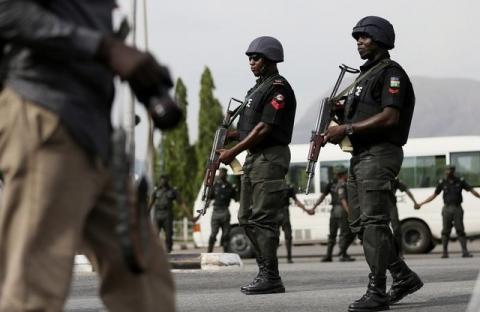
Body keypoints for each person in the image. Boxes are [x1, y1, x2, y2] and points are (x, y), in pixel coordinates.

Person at [0, 2, 175, 311]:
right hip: (47, 120)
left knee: (144, 276)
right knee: (33, 289)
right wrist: (105, 48)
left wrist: (138, 72)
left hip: (95, 133)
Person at [323, 16, 423, 311]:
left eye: (364, 37)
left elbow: (390, 117)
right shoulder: (363, 79)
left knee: (374, 222)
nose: (359, 42)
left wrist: (347, 129)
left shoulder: (391, 74)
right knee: (359, 224)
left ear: (380, 39)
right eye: (357, 38)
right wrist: (340, 116)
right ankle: (402, 276)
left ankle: (377, 289)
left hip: (380, 154)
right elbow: (357, 119)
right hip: (360, 156)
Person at [217, 36, 296, 295]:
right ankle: (266, 270)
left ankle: (270, 276)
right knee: (245, 217)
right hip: (255, 157)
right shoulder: (256, 89)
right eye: (249, 58)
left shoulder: (278, 88)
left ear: (271, 59)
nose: (251, 62)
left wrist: (233, 152)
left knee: (263, 218)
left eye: (256, 57)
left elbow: (264, 128)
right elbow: (250, 129)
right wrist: (231, 136)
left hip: (270, 157)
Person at [417, 165, 480, 258]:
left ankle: (465, 251)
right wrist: (422, 203)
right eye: (446, 170)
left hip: (457, 208)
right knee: (445, 231)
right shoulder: (442, 182)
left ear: (453, 171)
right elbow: (434, 195)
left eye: (450, 170)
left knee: (460, 230)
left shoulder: (460, 181)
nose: (448, 172)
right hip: (447, 209)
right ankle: (445, 252)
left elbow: (471, 190)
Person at [311, 166, 356, 262]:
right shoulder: (345, 184)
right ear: (344, 174)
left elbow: (322, 197)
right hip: (342, 211)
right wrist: (349, 212)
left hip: (333, 212)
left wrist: (314, 208)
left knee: (332, 234)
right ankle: (342, 254)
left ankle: (328, 255)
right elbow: (343, 199)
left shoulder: (331, 184)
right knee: (345, 233)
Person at [207, 167, 238, 253]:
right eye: (220, 173)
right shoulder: (214, 186)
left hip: (225, 211)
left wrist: (237, 188)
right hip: (216, 211)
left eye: (223, 173)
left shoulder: (230, 187)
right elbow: (208, 197)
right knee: (213, 234)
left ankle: (226, 252)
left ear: (226, 174)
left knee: (226, 234)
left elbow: (236, 198)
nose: (221, 174)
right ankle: (209, 252)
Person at [150, 174, 183, 253]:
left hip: (167, 215)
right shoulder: (156, 191)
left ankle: (168, 250)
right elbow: (150, 203)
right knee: (155, 234)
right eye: (161, 180)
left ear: (167, 181)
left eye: (164, 180)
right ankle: (154, 252)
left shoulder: (172, 191)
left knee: (168, 235)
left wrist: (190, 217)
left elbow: (181, 203)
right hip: (158, 215)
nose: (162, 182)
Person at [278, 184, 308, 263]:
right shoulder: (288, 187)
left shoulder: (271, 185)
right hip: (284, 213)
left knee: (274, 237)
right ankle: (289, 257)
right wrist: (307, 210)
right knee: (288, 236)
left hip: (274, 212)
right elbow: (296, 201)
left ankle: (272, 259)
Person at [391, 177, 420, 256]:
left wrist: (415, 202)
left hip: (391, 206)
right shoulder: (379, 177)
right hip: (379, 206)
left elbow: (406, 190)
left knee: (396, 229)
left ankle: (399, 252)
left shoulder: (394, 179)